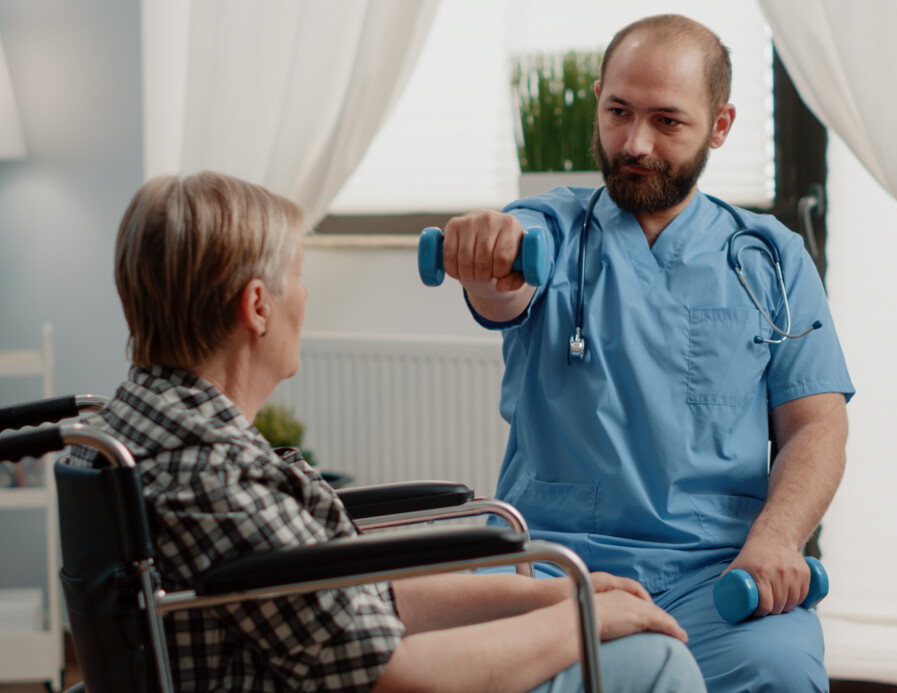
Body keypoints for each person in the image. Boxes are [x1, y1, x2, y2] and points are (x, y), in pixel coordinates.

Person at [65, 171, 705, 693]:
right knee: (658, 663)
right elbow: (396, 674)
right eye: (299, 276)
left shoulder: (141, 431)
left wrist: (550, 596)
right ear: (258, 306)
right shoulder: (212, 476)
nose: (305, 298)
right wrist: (582, 622)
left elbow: (357, 595)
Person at [440, 14, 853, 692]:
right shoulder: (550, 227)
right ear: (598, 100)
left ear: (719, 126)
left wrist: (777, 540)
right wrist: (490, 254)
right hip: (554, 566)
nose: (634, 143)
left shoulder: (771, 257)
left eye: (667, 121)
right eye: (618, 112)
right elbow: (504, 285)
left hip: (716, 573)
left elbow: (815, 424)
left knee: (778, 671)